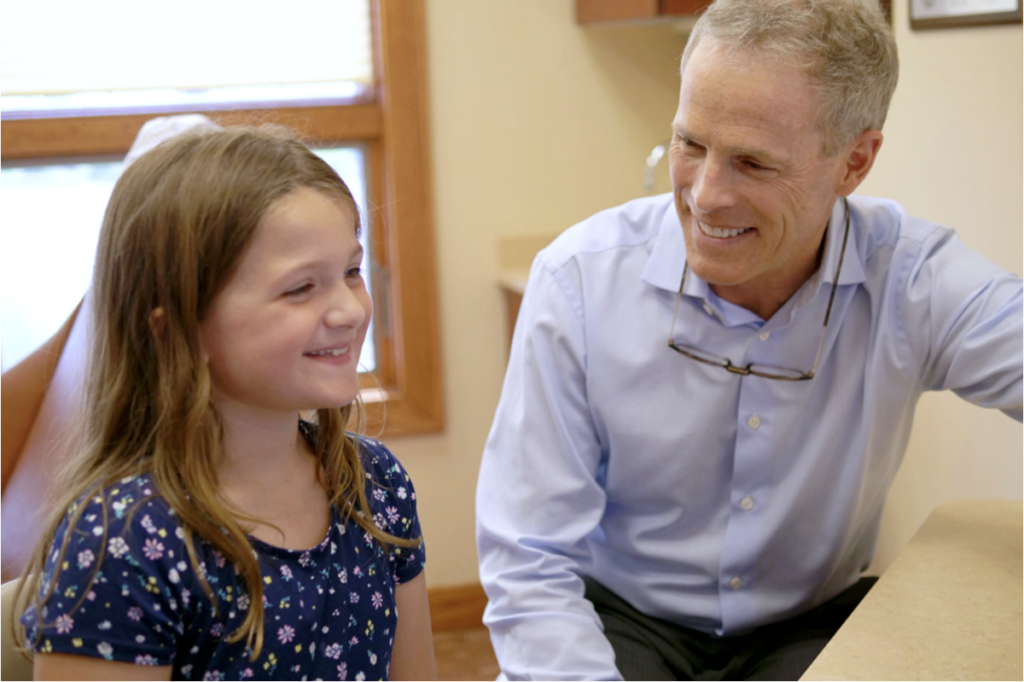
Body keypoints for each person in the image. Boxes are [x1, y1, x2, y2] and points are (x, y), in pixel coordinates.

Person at [476, 0, 1023, 679]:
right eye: (690, 144)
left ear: (854, 162)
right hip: (620, 617)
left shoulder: (911, 279)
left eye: (753, 164)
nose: (705, 196)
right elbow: (528, 554)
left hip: (807, 627)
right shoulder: (578, 281)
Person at [14, 126, 438, 680]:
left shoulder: (372, 483)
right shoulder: (123, 544)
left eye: (351, 272)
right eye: (300, 288)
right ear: (181, 330)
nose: (350, 311)